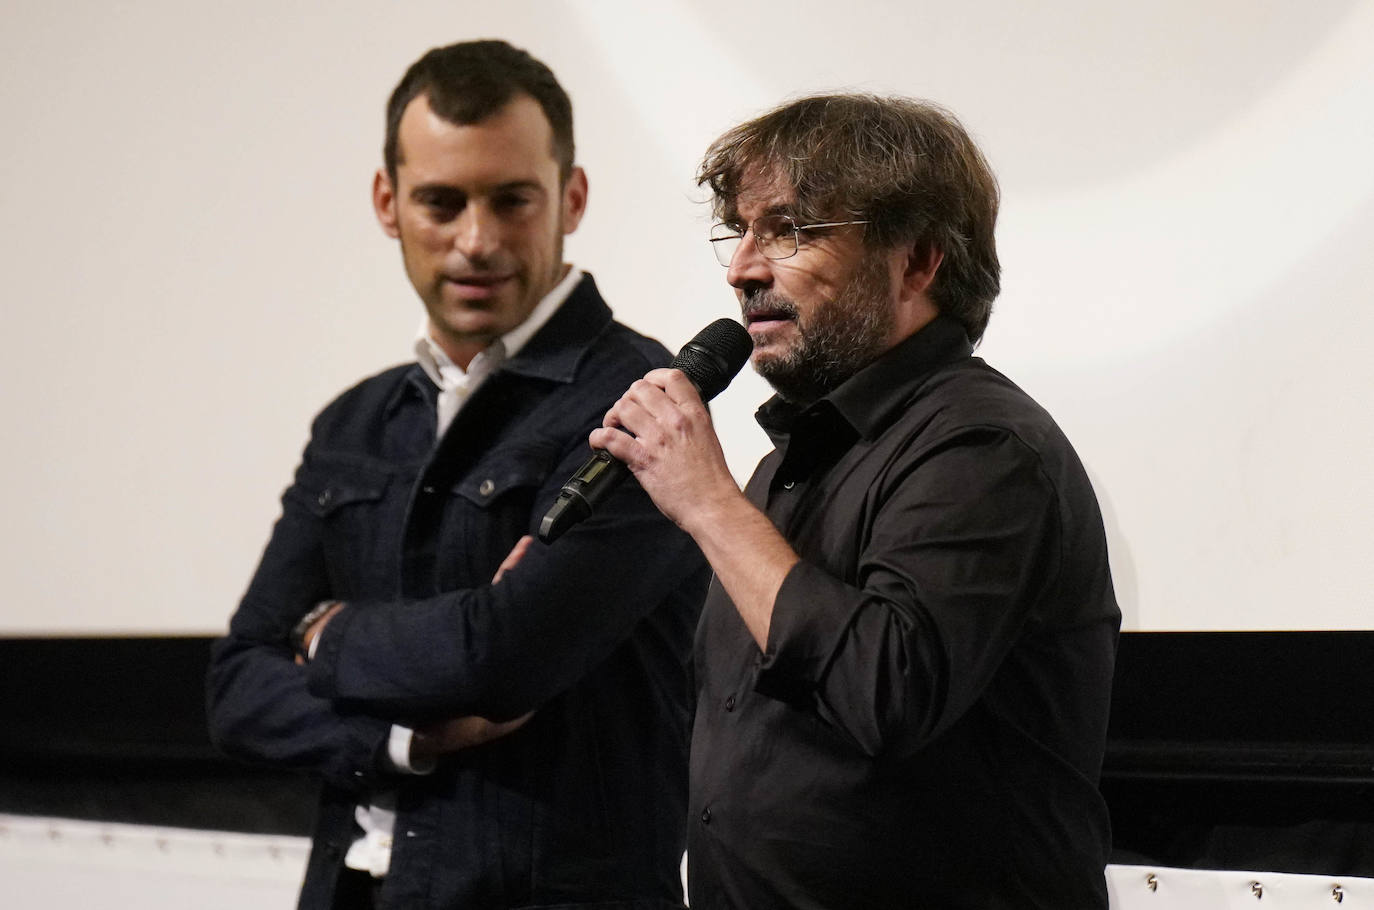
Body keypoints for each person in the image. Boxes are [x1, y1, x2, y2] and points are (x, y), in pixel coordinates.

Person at [207, 40, 709, 910]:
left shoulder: (643, 403)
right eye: (442, 202)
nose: (476, 242)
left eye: (511, 201)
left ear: (572, 198)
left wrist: (327, 636)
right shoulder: (355, 421)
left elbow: (502, 657)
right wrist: (407, 739)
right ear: (387, 202)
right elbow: (237, 687)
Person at [591, 94, 1120, 909]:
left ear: (918, 261)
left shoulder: (983, 447)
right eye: (740, 228)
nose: (742, 267)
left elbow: (887, 691)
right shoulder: (792, 466)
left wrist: (708, 503)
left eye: (791, 229)